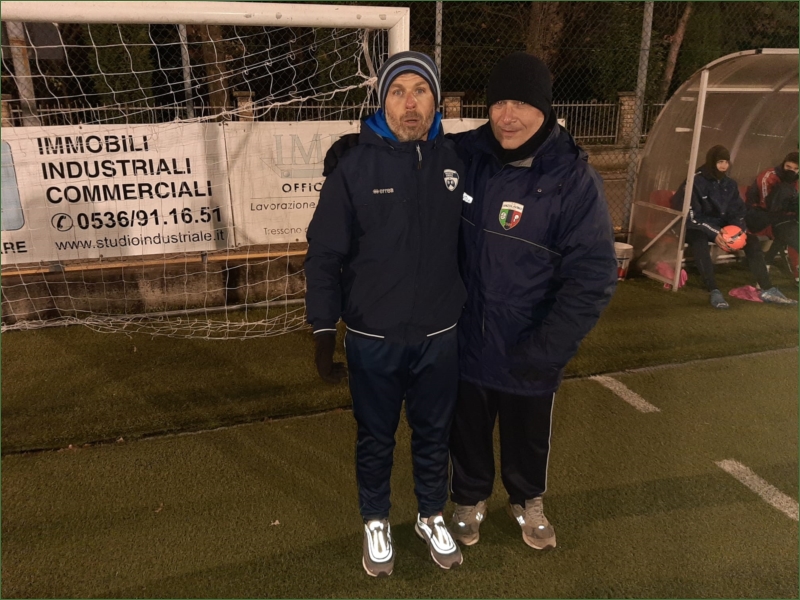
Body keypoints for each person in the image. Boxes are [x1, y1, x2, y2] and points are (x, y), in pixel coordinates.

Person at [447, 52, 618, 551]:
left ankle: (527, 499)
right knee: (467, 427)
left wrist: (549, 347)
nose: (508, 116)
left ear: (545, 108)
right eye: (499, 103)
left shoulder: (574, 179)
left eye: (521, 104)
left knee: (528, 432)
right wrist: (359, 146)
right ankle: (469, 498)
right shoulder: (467, 154)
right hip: (469, 336)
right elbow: (409, 151)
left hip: (530, 343)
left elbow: (593, 276)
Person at [304, 51, 465, 577]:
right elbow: (324, 254)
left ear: (436, 101)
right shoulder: (352, 167)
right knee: (375, 437)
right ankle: (375, 519)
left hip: (439, 334)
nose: (409, 103)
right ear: (382, 101)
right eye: (398, 92)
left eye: (420, 90)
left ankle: (430, 513)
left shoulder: (455, 161)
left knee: (434, 433)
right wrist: (323, 328)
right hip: (373, 337)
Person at [673, 145, 796, 309]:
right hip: (697, 227)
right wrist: (717, 233)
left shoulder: (729, 184)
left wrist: (738, 231)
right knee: (699, 241)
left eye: (726, 162)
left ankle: (767, 289)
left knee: (751, 241)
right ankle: (714, 290)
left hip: (724, 228)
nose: (724, 166)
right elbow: (691, 216)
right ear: (711, 162)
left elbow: (738, 211)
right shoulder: (694, 181)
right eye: (720, 162)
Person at [744, 151, 799, 281]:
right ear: (783, 164)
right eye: (788, 167)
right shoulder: (768, 176)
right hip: (756, 215)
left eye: (795, 169)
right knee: (789, 228)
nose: (791, 171)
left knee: (790, 228)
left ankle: (767, 263)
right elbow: (767, 205)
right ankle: (769, 263)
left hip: (777, 218)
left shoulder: (793, 181)